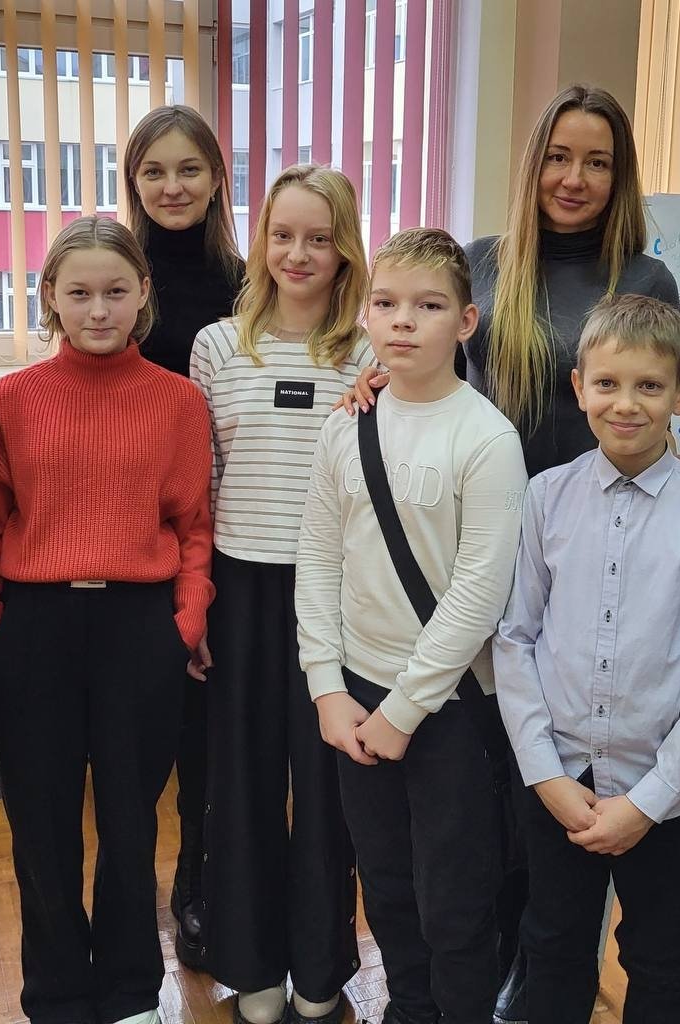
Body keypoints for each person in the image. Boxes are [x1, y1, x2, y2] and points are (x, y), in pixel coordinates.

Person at [340, 83, 680, 1017]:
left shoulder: (644, 275)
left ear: (619, 175)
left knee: (573, 760)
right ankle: (505, 968)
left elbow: (649, 382)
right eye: (559, 156)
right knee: (501, 781)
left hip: (602, 544)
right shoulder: (485, 262)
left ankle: (539, 970)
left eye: (597, 161)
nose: (574, 177)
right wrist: (376, 377)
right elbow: (431, 349)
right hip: (487, 547)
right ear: (533, 164)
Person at [0, 215, 213, 1024]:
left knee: (131, 823)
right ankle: (58, 995)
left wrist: (185, 621)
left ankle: (132, 991)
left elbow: (193, 525)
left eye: (115, 291)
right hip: (32, 630)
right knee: (41, 829)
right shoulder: (11, 399)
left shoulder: (177, 401)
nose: (98, 310)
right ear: (49, 297)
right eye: (79, 293)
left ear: (143, 293)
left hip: (139, 629)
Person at [493, 295, 680, 1023]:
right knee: (552, 944)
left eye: (649, 386)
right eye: (607, 384)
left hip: (665, 792)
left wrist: (647, 803)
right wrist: (545, 776)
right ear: (579, 388)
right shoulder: (546, 497)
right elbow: (515, 638)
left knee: (661, 953)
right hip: (560, 782)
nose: (627, 404)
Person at [296, 227, 528, 1024]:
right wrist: (326, 686)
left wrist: (404, 710)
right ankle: (409, 1009)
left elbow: (478, 593)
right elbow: (318, 557)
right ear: (364, 314)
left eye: (428, 306)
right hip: (357, 697)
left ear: (465, 322)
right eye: (387, 303)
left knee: (455, 899)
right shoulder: (346, 424)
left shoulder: (486, 438)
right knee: (387, 885)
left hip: (448, 706)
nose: (403, 321)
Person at [190, 164, 375, 1024]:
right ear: (261, 240)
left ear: (345, 250)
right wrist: (198, 603)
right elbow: (203, 482)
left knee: (328, 787)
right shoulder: (217, 346)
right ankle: (251, 966)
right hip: (241, 587)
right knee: (242, 783)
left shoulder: (370, 351)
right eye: (283, 235)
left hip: (334, 595)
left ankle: (321, 970)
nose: (299, 254)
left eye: (319, 238)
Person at [124, 102, 245, 964]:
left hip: (226, 529)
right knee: (139, 740)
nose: (172, 186)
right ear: (134, 182)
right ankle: (125, 911)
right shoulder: (117, 277)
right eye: (154, 171)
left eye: (189, 169)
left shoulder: (250, 283)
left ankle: (197, 888)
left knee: (209, 730)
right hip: (132, 537)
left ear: (217, 180)